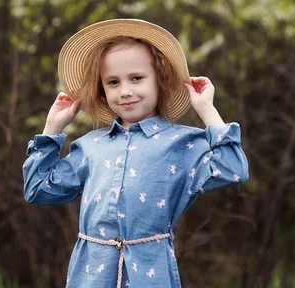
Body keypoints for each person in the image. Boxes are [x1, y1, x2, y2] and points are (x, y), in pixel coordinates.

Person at [23, 18, 249, 288]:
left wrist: (206, 110)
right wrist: (52, 128)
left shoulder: (182, 143)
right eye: (113, 82)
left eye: (137, 78)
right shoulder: (91, 146)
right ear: (102, 90)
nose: (126, 91)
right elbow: (37, 189)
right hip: (91, 275)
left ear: (159, 80)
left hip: (149, 273)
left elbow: (233, 169)